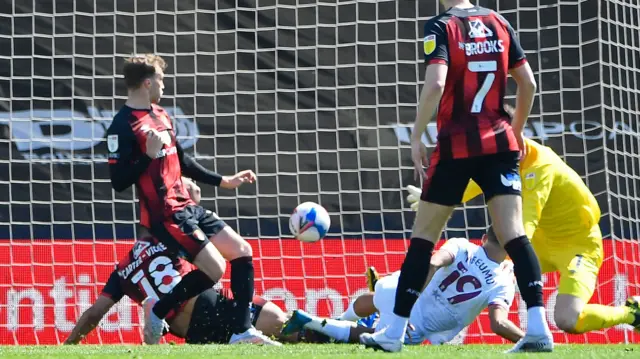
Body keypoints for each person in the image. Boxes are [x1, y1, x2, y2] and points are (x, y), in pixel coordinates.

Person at [360, 0, 553, 353]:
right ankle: (538, 329)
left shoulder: (441, 25)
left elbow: (435, 83)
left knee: (423, 238)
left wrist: (417, 134)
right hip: (499, 142)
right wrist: (517, 130)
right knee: (514, 235)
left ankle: (393, 333)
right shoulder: (498, 21)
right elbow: (528, 83)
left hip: (457, 145)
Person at [406, 105, 640, 336]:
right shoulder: (500, 157)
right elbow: (475, 182)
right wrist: (435, 196)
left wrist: (508, 257)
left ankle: (632, 314)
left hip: (577, 246)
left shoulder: (541, 166)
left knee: (568, 319)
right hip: (538, 241)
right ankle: (394, 291)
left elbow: (522, 224)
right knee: (472, 265)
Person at [105, 55, 276, 345]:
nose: (163, 84)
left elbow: (181, 160)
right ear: (147, 82)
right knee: (215, 269)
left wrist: (224, 181)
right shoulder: (122, 126)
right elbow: (118, 181)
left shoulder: (161, 114)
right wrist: (147, 155)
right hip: (164, 215)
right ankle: (159, 310)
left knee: (242, 250)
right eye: (160, 78)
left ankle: (242, 331)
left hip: (187, 205)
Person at [65, 177, 281, 346]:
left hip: (191, 332)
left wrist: (67, 346)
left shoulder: (122, 269)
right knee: (281, 322)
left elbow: (94, 313)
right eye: (188, 182)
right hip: (209, 306)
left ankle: (157, 315)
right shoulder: (178, 235)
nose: (194, 185)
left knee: (265, 334)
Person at [282, 230, 523, 345]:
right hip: (418, 324)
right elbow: (498, 324)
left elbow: (432, 262)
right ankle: (312, 322)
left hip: (400, 287)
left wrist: (411, 294)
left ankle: (339, 319)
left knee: (379, 295)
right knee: (369, 338)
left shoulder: (461, 245)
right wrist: (533, 339)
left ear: (482, 238)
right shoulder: (504, 281)